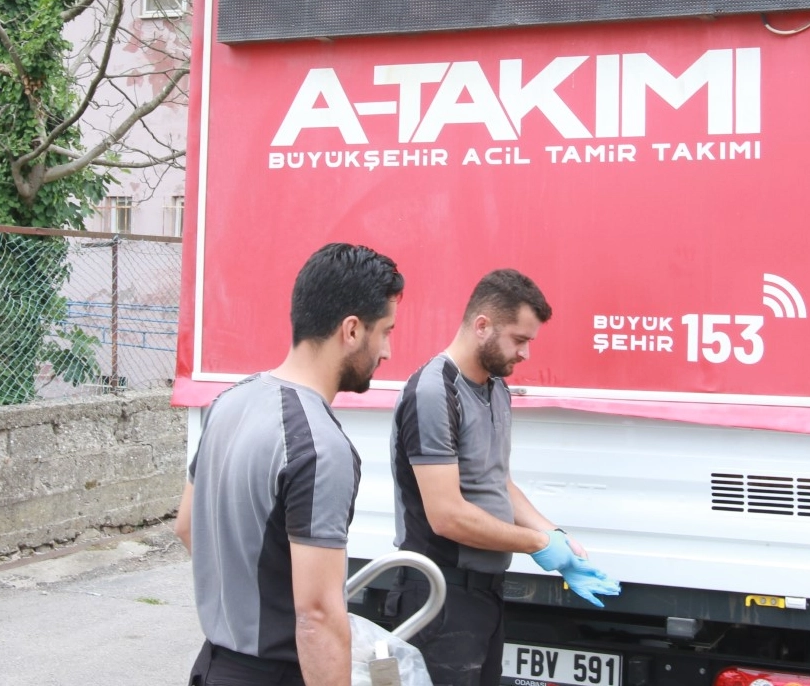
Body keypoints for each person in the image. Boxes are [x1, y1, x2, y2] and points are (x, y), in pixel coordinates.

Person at [174, 242, 404, 686]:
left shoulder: (229, 402)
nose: (387, 351)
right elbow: (317, 615)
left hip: (213, 666)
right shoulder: (320, 447)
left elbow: (187, 526)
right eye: (385, 332)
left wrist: (244, 606)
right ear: (351, 330)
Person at [385, 268, 619, 686]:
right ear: (482, 326)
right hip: (438, 595)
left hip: (486, 595)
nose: (525, 353)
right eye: (519, 339)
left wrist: (557, 536)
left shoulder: (496, 389)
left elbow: (498, 483)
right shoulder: (434, 392)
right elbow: (447, 516)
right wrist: (538, 544)